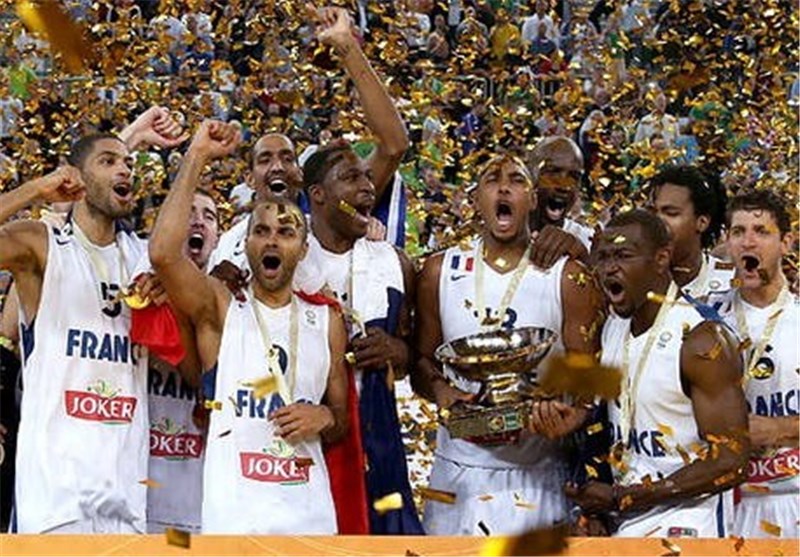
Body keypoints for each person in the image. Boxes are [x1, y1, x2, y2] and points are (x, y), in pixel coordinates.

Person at [149, 119, 348, 534]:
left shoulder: (326, 319)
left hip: (309, 519)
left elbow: (342, 419)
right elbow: (164, 254)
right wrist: (197, 155)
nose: (272, 240)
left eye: (286, 232)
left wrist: (325, 418)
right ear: (246, 244)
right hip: (235, 520)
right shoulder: (221, 308)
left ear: (303, 248)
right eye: (261, 231)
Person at [0, 106, 186, 533]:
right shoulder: (42, 245)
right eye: (109, 162)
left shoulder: (147, 259)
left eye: (129, 164)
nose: (126, 170)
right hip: (52, 502)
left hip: (125, 500)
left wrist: (169, 295)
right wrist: (35, 189)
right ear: (76, 179)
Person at [413, 154, 606, 535]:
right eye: (492, 180)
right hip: (457, 470)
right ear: (475, 200)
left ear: (532, 200)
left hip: (538, 470)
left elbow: (590, 375)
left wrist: (570, 412)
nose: (503, 188)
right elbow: (421, 360)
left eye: (517, 180)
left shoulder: (566, 275)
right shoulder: (440, 270)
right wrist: (441, 390)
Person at [569, 209, 750, 537]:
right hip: (628, 519)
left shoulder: (701, 339)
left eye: (623, 256)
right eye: (603, 257)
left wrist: (627, 497)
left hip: (689, 523)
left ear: (661, 258)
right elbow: (609, 431)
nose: (610, 268)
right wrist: (595, 506)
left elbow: (731, 461)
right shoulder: (612, 329)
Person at [209, 5, 409, 273]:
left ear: (301, 175)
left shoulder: (328, 212)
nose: (278, 166)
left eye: (288, 158)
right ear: (249, 178)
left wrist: (346, 45)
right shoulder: (229, 243)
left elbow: (394, 146)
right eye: (265, 159)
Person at [300, 140, 423, 534]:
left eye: (368, 178)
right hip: (306, 437)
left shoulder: (395, 263)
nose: (367, 186)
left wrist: (396, 350)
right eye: (350, 177)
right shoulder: (289, 257)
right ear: (318, 194)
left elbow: (414, 357)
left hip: (378, 441)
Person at [708, 191, 798, 538]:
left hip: (793, 496)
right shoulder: (704, 321)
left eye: (761, 231)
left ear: (786, 242)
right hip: (728, 504)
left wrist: (781, 429)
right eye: (738, 232)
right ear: (727, 242)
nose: (748, 242)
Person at [146, 190, 220, 534]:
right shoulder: (136, 292)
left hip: (199, 507)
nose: (198, 222)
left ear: (217, 238)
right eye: (188, 212)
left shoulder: (233, 305)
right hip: (132, 501)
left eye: (209, 216)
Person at [649, 164, 733, 298]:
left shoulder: (732, 284)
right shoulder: (630, 282)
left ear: (702, 222)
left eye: (671, 213)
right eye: (652, 212)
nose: (656, 221)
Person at [529, 136, 595, 254]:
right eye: (552, 173)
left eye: (574, 177)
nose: (564, 187)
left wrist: (584, 257)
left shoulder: (587, 242)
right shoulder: (497, 233)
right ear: (529, 176)